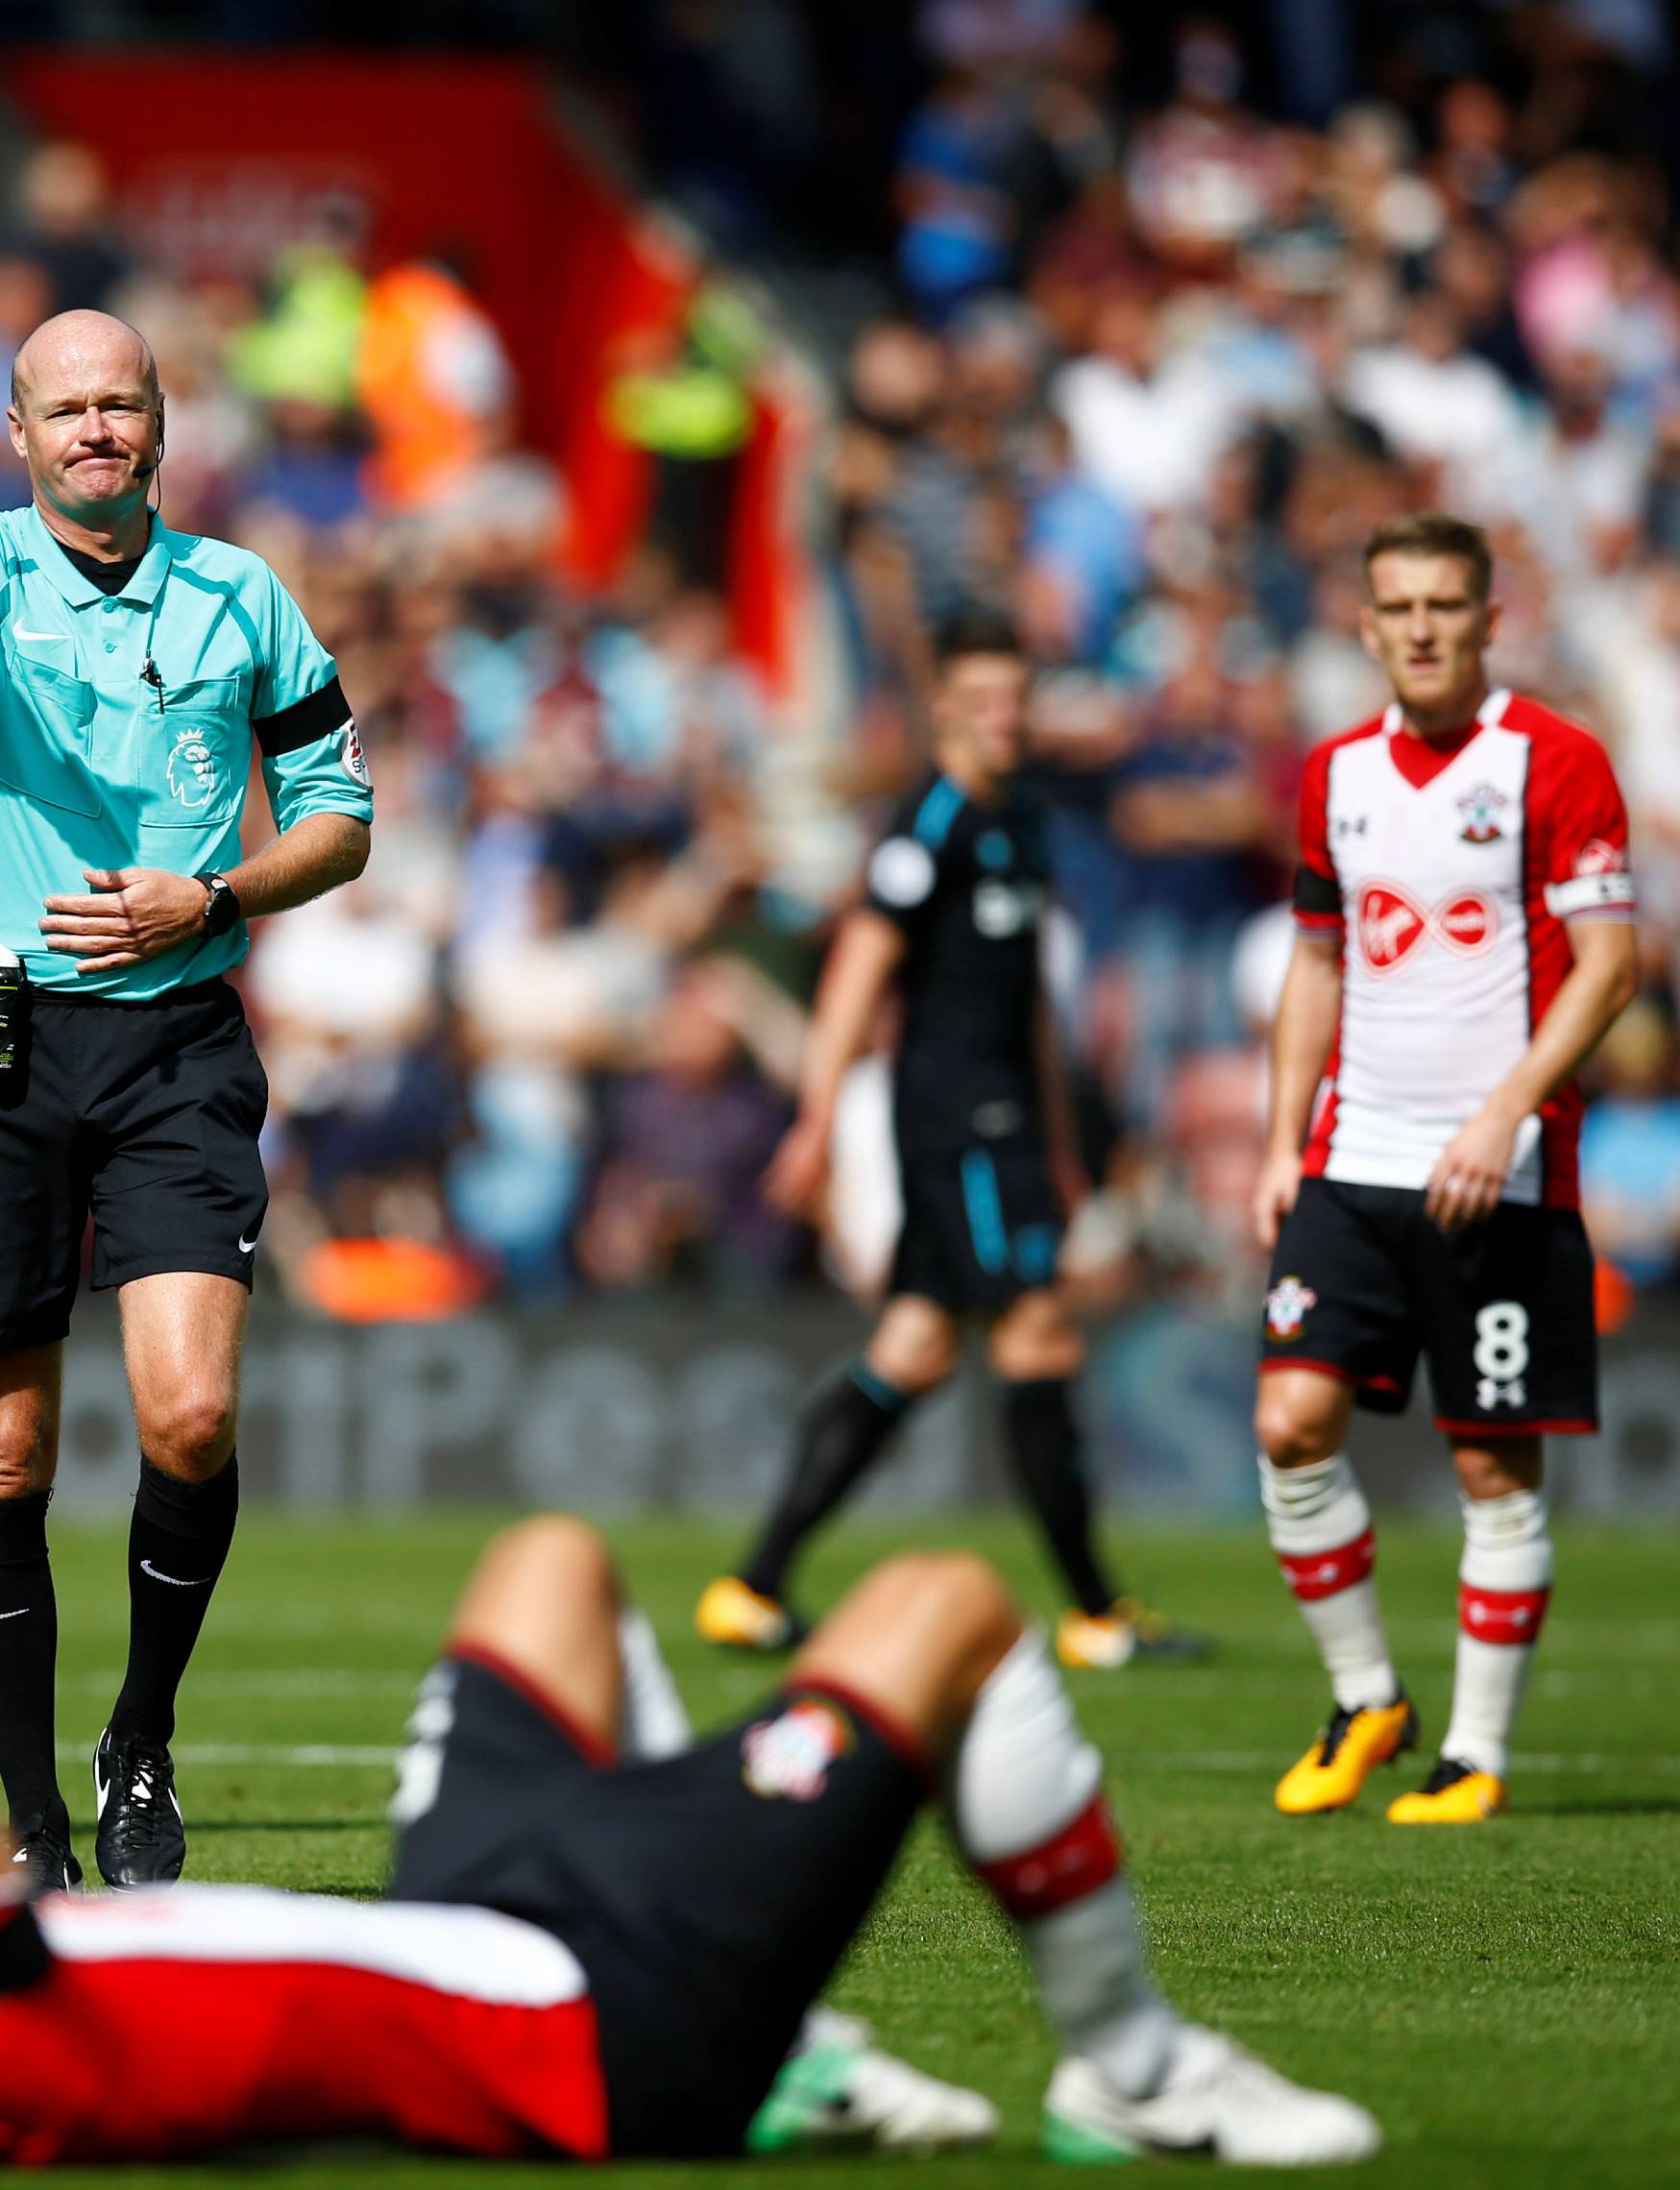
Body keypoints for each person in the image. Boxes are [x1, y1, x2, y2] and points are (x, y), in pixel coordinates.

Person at [0, 1513, 1381, 2168]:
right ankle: (1137, 2069)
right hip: (598, 2021)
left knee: (549, 1559)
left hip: (466, 1912)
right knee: (947, 1600)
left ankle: (786, 2040)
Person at [0, 311, 374, 1890]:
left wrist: (208, 896)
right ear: (22, 437)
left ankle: (137, 1741)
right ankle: (30, 1827)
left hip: (176, 1038)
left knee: (193, 1413)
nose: (95, 429)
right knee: (9, 1459)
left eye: (119, 403)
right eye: (63, 409)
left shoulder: (242, 594)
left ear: (161, 420)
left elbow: (342, 817)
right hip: (11, 1045)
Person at [697, 609, 1205, 1669]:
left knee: (916, 1348)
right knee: (1036, 1333)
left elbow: (1026, 1007)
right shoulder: (929, 827)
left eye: (1015, 701)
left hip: (1013, 1125)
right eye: (981, 703)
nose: (1002, 720)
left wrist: (1062, 1144)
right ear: (941, 711)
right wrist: (821, 1121)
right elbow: (858, 970)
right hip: (960, 1124)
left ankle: (753, 1586)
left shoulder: (1016, 821)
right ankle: (1097, 1612)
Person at [1251, 512, 1638, 1824]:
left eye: (1445, 607)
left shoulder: (1558, 761)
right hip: (1353, 1158)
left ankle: (1474, 1756)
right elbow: (1317, 963)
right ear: (1365, 626)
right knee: (1289, 1423)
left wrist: (1508, 1112)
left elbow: (1612, 965)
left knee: (1491, 1468)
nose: (1421, 629)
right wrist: (1276, 1141)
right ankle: (1368, 1699)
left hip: (1504, 1173)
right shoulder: (1333, 775)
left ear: (1488, 619)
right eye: (1397, 607)